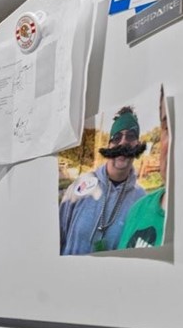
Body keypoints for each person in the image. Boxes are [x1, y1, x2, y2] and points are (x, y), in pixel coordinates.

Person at [59, 106, 147, 255]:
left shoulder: (141, 201)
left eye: (131, 136)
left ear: (137, 145)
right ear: (109, 145)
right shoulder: (80, 185)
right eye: (117, 137)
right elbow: (58, 235)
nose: (123, 143)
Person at [117, 87, 169, 249]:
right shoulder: (138, 210)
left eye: (131, 137)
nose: (122, 143)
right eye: (168, 127)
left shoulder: (137, 195)